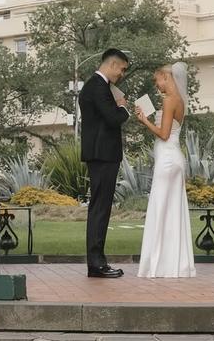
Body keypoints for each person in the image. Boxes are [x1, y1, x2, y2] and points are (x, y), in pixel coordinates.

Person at [135, 62, 196, 278]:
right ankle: (175, 265)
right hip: (175, 157)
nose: (156, 84)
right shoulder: (181, 101)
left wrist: (145, 121)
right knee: (173, 211)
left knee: (160, 208)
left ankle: (157, 265)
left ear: (166, 77)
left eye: (157, 80)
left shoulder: (169, 100)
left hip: (167, 159)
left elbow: (163, 134)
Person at [79, 48, 130, 278]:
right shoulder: (98, 87)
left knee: (100, 208)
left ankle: (97, 261)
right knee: (100, 209)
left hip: (100, 155)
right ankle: (96, 263)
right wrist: (122, 107)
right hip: (102, 155)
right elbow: (113, 119)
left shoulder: (96, 86)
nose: (121, 74)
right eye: (121, 69)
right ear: (112, 65)